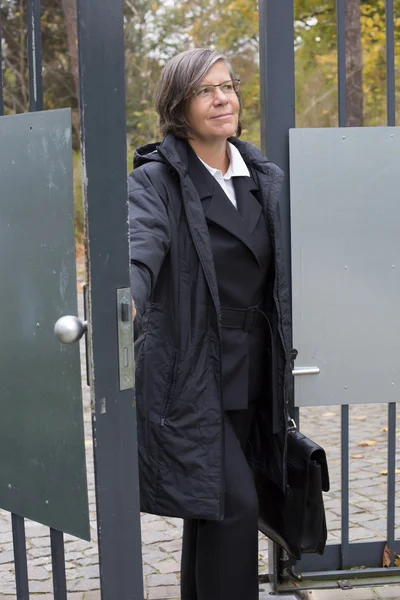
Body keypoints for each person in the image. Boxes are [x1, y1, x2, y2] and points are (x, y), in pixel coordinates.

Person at [129, 48, 292, 600]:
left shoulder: (262, 177)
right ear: (179, 106)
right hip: (188, 369)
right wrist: (125, 298)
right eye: (205, 91)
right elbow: (140, 248)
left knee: (211, 505)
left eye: (228, 86)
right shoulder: (156, 182)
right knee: (234, 504)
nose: (223, 99)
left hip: (252, 369)